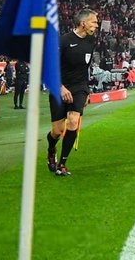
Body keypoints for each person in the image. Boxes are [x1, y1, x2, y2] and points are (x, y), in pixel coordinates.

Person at [47, 9, 99, 177]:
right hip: (60, 86)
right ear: (83, 23)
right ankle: (51, 149)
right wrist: (61, 87)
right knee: (57, 131)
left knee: (73, 122)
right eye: (94, 22)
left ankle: (62, 164)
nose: (96, 25)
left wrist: (86, 91)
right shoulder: (63, 41)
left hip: (79, 87)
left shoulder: (91, 41)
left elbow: (85, 68)